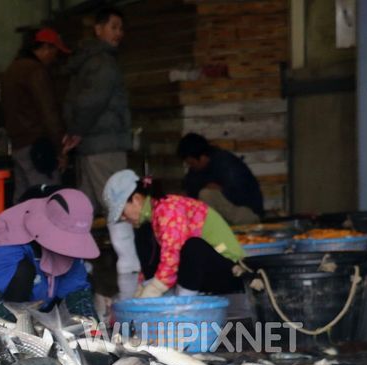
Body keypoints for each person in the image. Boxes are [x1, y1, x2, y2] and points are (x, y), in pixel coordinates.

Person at [64, 6, 137, 298]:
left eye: (121, 28)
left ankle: (76, 264)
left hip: (91, 144)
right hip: (104, 144)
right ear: (98, 29)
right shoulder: (103, 62)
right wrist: (78, 130)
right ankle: (128, 267)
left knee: (85, 206)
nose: (119, 33)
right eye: (113, 27)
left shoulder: (88, 60)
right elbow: (92, 101)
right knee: (118, 203)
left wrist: (76, 131)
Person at [0, 188, 99, 320]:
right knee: (23, 272)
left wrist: (94, 333)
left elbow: (77, 292)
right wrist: (26, 333)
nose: (70, 244)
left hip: (30, 306)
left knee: (86, 282)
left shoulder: (70, 247)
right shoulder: (5, 235)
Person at [103, 169, 243, 299]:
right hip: (207, 271)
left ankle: (185, 304)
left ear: (137, 199)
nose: (123, 218)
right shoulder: (156, 213)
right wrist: (142, 287)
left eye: (122, 212)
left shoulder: (169, 210)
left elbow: (171, 256)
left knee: (193, 247)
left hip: (229, 272)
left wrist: (155, 289)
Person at [1, 27, 72, 201]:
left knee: (23, 203)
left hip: (18, 147)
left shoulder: (11, 70)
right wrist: (60, 149)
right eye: (55, 52)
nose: (55, 58)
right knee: (48, 201)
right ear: (46, 48)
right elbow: (49, 112)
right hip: (38, 149)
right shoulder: (36, 71)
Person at [177, 133, 264, 225]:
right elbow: (190, 189)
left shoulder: (227, 164)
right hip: (229, 214)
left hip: (248, 214)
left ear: (202, 158)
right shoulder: (197, 169)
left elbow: (242, 196)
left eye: (191, 163)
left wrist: (222, 190)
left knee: (206, 194)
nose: (191, 166)